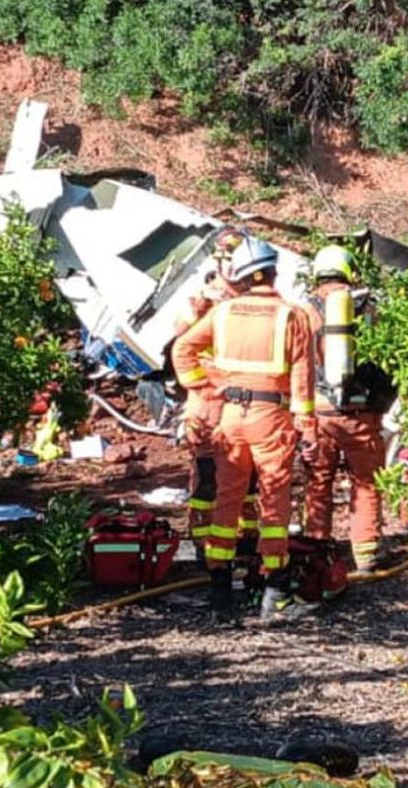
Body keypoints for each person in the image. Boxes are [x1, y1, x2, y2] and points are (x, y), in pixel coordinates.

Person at [173, 236, 318, 623]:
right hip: (271, 419)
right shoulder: (292, 316)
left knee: (227, 500)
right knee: (273, 501)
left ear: (239, 274)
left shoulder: (222, 313)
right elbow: (304, 380)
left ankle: (220, 594)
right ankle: (275, 595)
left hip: (230, 418)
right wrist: (308, 427)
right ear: (273, 271)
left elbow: (182, 350)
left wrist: (206, 385)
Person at [300, 246, 388, 574]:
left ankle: (316, 550)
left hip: (319, 413)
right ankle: (366, 554)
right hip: (361, 413)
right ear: (350, 272)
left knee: (318, 482)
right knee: (366, 482)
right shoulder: (368, 307)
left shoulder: (303, 311)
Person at [171, 229, 245, 571]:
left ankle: (242, 541)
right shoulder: (201, 307)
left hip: (237, 408)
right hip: (206, 407)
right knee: (206, 478)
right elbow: (181, 341)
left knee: (245, 479)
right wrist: (204, 301)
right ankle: (203, 545)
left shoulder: (247, 306)